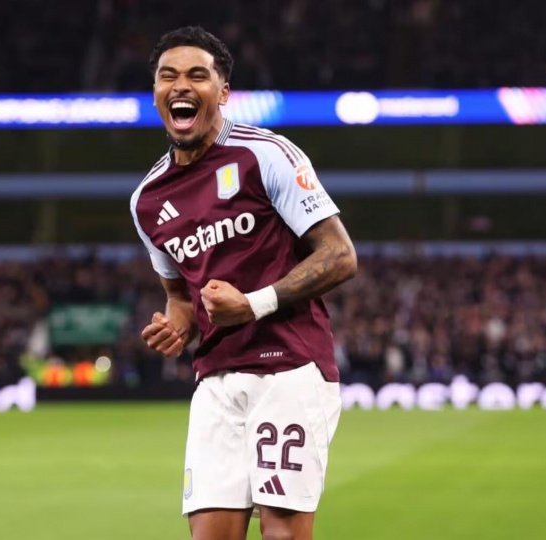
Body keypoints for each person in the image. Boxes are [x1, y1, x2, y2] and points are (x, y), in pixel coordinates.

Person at [130, 26, 358, 540]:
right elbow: (179, 294)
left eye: (197, 75)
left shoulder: (265, 154)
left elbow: (340, 255)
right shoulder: (147, 200)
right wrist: (177, 324)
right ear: (156, 93)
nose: (181, 86)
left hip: (289, 368)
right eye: (168, 76)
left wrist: (253, 304)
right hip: (214, 379)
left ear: (223, 92)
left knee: (282, 534)